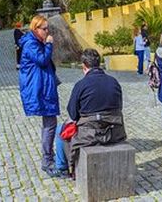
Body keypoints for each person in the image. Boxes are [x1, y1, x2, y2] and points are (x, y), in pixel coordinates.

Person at [53, 48, 125, 178]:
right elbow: (119, 107)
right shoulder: (114, 82)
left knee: (59, 129)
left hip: (89, 134)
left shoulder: (81, 85)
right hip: (114, 132)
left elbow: (72, 113)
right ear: (99, 63)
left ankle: (62, 168)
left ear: (84, 66)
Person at [19, 15, 61, 176]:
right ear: (35, 29)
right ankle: (47, 160)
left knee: (49, 123)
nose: (47, 31)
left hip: (43, 87)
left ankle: (48, 157)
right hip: (40, 89)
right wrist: (49, 44)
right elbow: (42, 60)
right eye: (44, 29)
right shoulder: (31, 44)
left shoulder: (35, 42)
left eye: (47, 28)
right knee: (50, 124)